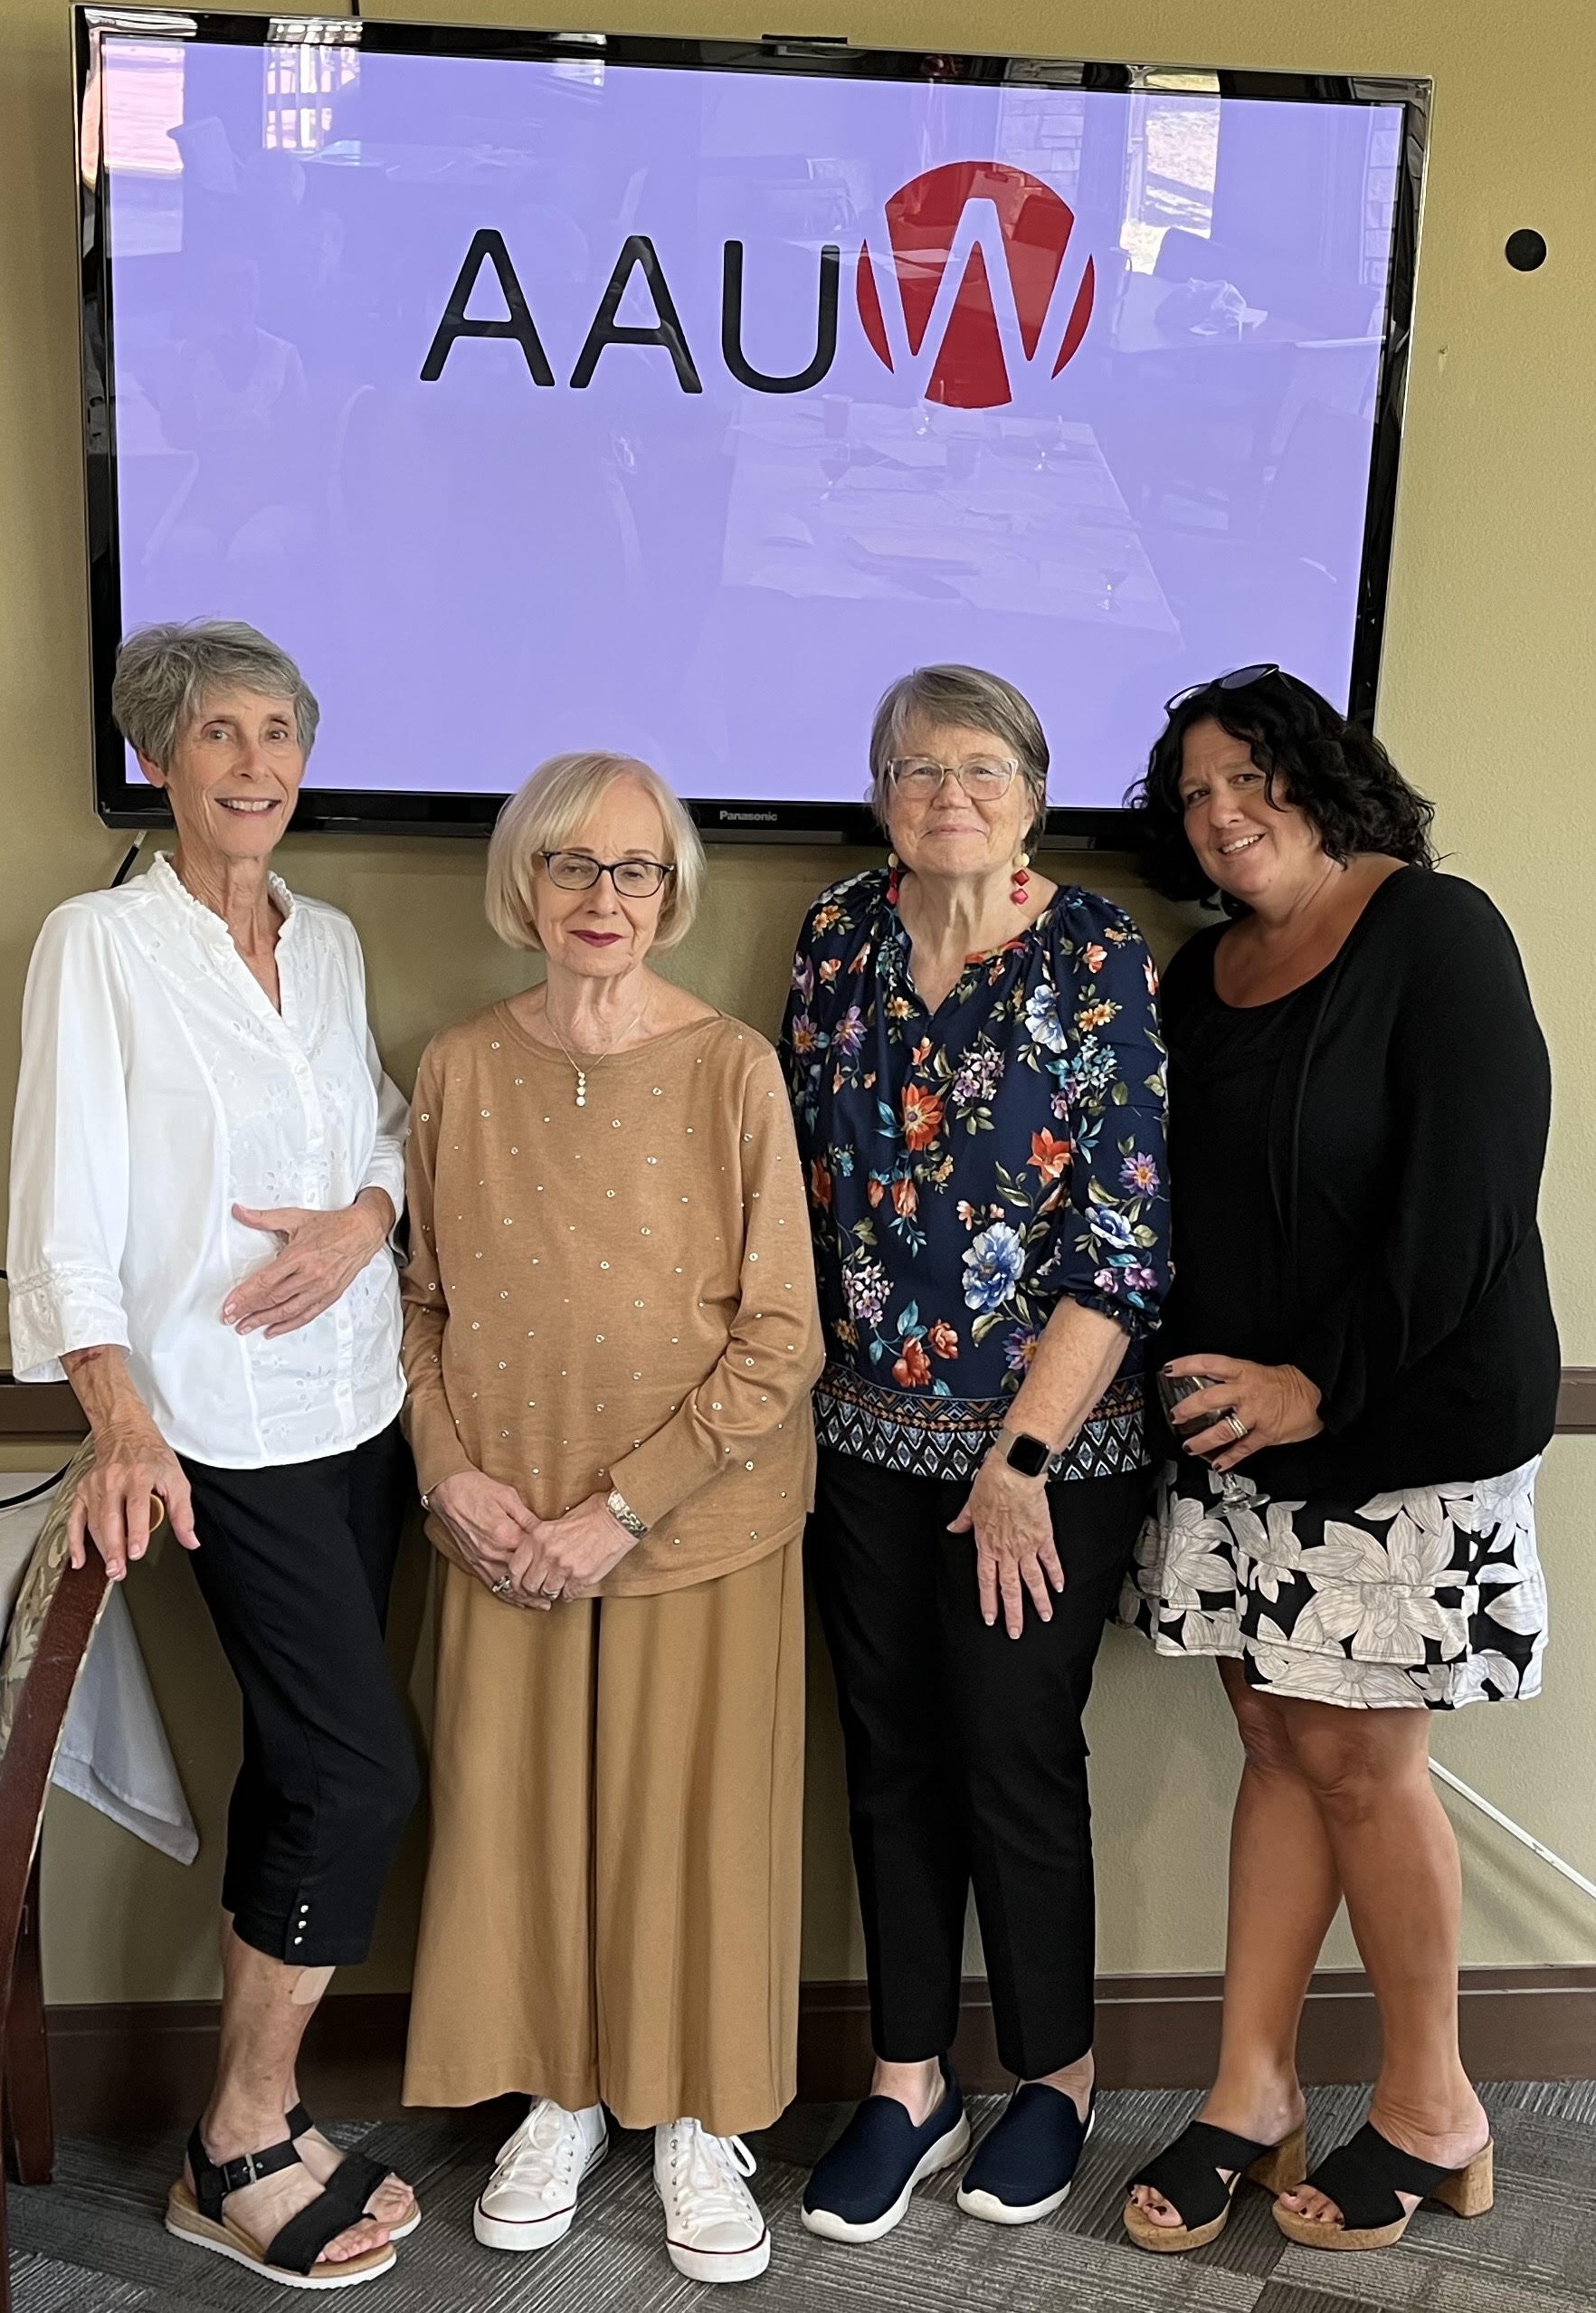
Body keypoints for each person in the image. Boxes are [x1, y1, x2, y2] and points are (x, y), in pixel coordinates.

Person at [1119, 665, 1558, 2254]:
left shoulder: (1435, 932)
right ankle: (1250, 2089)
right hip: (1235, 1438)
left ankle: (1435, 2109)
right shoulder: (1199, 972)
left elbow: (1471, 1199)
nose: (1221, 812)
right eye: (1192, 794)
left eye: (1249, 776)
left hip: (1395, 1430)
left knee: (1361, 1762)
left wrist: (1317, 1386)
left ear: (1323, 774)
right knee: (1273, 1739)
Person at [8, 620, 421, 2290]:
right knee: (360, 1773)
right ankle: (233, 2138)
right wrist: (118, 1417)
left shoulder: (328, 941)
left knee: (300, 1766)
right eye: (218, 735)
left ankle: (274, 2108)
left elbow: (382, 1128)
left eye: (276, 733)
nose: (254, 764)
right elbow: (60, 1206)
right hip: (216, 1433)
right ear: (157, 760)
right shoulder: (97, 945)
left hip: (363, 1410)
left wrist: (366, 1220)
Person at [399, 751, 821, 2288]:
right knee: (514, 1828)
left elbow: (781, 1335)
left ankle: (698, 2118)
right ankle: (558, 2100)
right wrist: (450, 1473)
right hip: (501, 1531)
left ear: (671, 894)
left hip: (696, 1530)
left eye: (635, 868)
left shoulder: (731, 1068)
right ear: (525, 882)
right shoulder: (455, 1067)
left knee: (690, 1834)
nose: (603, 896)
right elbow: (419, 1306)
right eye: (570, 864)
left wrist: (624, 1510)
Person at [781, 664, 1170, 2242]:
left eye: (982, 767)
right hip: (858, 1442)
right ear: (881, 792)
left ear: (1033, 794)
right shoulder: (835, 937)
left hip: (1046, 1460)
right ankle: (907, 2080)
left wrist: (1017, 1461)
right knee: (888, 1758)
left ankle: (1053, 2075)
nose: (949, 793)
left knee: (1012, 1755)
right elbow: (795, 1186)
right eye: (917, 768)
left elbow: (1122, 1242)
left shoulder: (1094, 953)